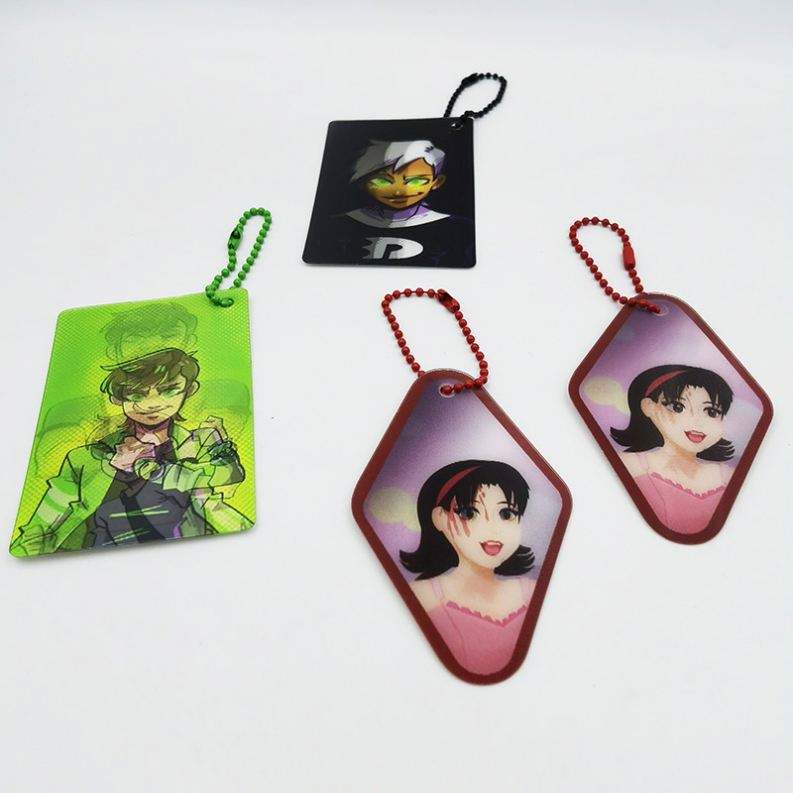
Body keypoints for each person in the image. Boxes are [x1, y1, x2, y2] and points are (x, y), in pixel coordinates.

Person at [11, 348, 251, 556]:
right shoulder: (86, 457)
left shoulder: (199, 442)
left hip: (188, 549)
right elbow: (45, 521)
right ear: (118, 398)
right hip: (99, 554)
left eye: (169, 390)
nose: (152, 404)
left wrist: (148, 467)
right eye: (136, 394)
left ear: (189, 390)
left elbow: (228, 477)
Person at [401, 460, 535, 676]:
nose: (493, 529)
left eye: (506, 514)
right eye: (469, 513)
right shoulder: (423, 595)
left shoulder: (531, 591)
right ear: (439, 518)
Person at [611, 365, 735, 534]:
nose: (697, 421)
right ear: (649, 407)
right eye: (678, 407)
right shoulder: (631, 463)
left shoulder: (727, 475)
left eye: (711, 412)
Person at [323, 139, 474, 266]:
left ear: (436, 182)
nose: (398, 191)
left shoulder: (456, 229)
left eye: (416, 181)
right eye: (382, 181)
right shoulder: (339, 225)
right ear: (363, 182)